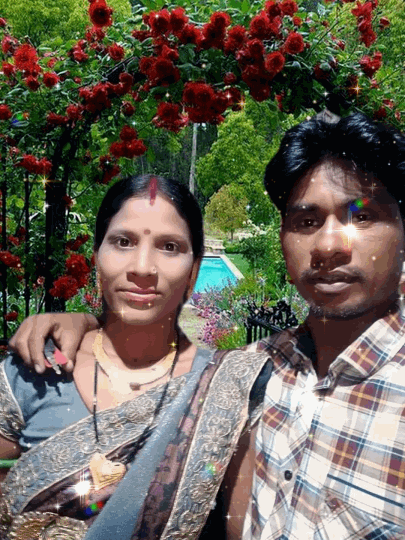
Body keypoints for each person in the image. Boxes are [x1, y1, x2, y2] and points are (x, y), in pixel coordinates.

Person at [0, 173, 272, 540]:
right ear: (97, 259)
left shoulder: (225, 390)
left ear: (194, 272)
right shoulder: (38, 366)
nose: (143, 268)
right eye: (123, 242)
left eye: (169, 246)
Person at [236, 111, 405, 538]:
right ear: (283, 240)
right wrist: (87, 325)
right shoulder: (251, 369)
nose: (328, 246)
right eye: (307, 222)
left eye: (362, 216)